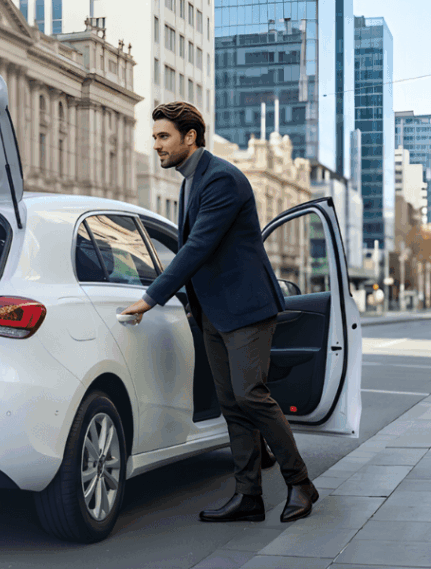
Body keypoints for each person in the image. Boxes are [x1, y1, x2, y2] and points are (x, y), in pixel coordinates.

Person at [121, 102, 318, 524]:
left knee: (251, 395)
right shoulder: (189, 181)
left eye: (163, 137)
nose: (155, 145)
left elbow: (197, 247)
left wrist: (151, 297)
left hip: (246, 308)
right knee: (231, 404)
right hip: (213, 312)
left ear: (189, 137)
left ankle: (300, 482)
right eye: (154, 137)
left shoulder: (222, 179)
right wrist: (192, 306)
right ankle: (249, 496)